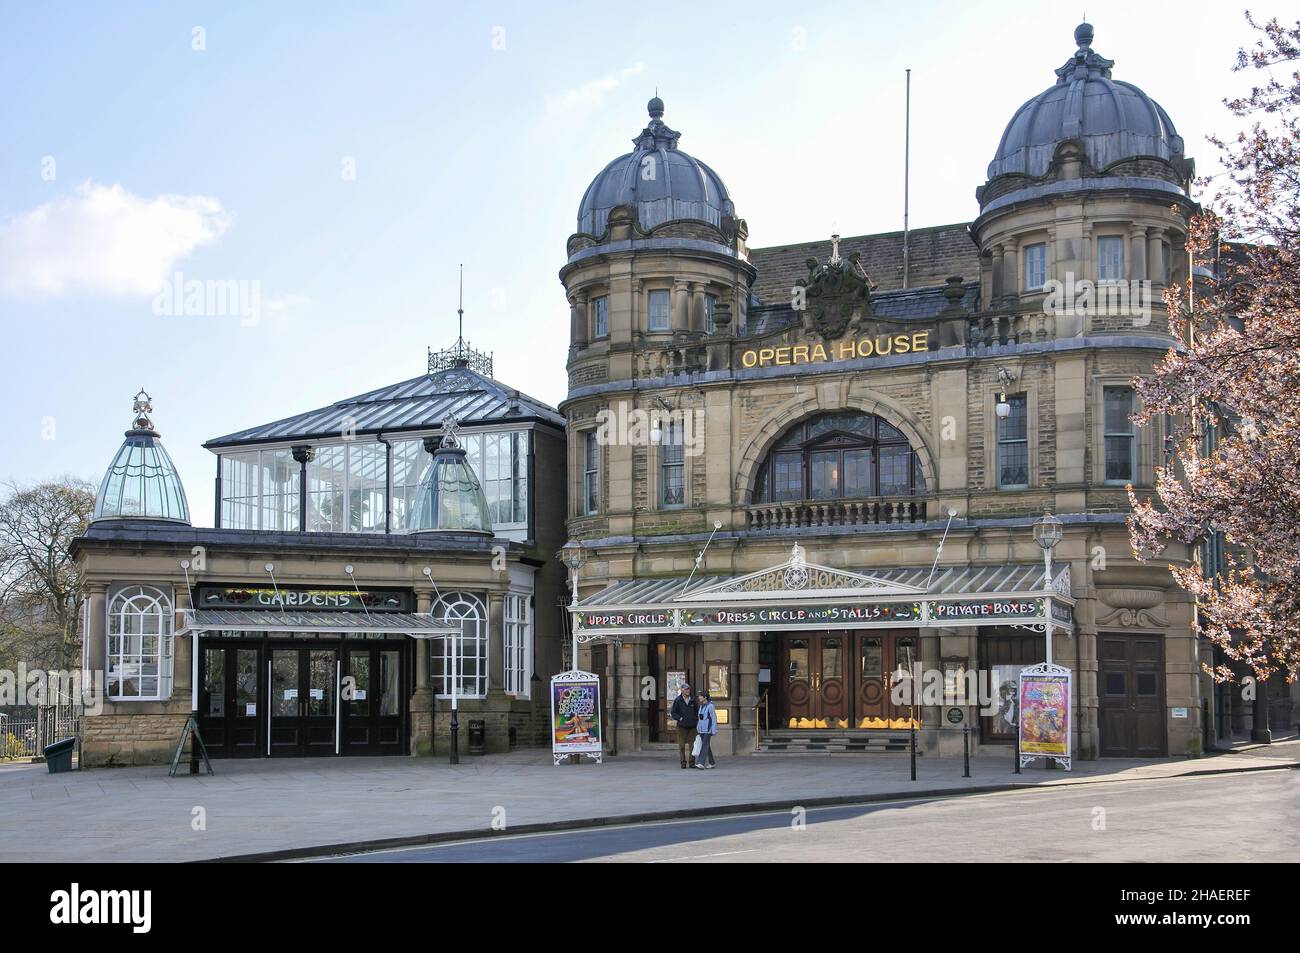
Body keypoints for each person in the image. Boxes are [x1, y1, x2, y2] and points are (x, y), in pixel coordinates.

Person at [670, 682, 699, 769]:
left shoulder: (693, 700)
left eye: (688, 689)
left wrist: (695, 719)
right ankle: (683, 762)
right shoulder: (678, 700)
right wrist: (679, 718)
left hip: (692, 726)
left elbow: (697, 711)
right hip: (681, 726)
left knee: (692, 746)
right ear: (682, 690)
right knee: (681, 745)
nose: (688, 691)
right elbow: (673, 712)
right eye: (686, 689)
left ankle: (691, 762)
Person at [695, 691, 718, 769]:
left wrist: (713, 730)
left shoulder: (710, 706)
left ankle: (701, 762)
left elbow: (713, 718)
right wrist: (698, 727)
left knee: (704, 745)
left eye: (700, 696)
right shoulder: (701, 706)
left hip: (708, 730)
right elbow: (700, 718)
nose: (699, 697)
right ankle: (712, 762)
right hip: (701, 729)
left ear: (705, 697)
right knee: (706, 746)